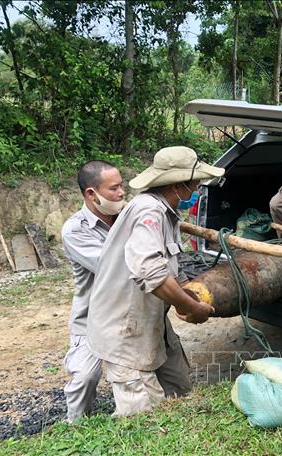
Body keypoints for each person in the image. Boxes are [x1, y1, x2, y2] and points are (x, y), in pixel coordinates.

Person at [86, 146, 224, 417]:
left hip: (150, 321)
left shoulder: (166, 210)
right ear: (177, 184)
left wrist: (191, 293)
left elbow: (170, 265)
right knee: (144, 415)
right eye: (194, 182)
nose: (197, 186)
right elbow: (149, 269)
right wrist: (190, 307)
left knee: (180, 390)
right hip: (124, 327)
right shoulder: (149, 212)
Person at [61, 160, 125, 422]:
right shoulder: (75, 230)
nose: (121, 193)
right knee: (86, 376)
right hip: (92, 316)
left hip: (125, 312)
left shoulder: (125, 217)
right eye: (114, 188)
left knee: (141, 370)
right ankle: (76, 425)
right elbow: (113, 266)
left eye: (122, 186)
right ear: (92, 193)